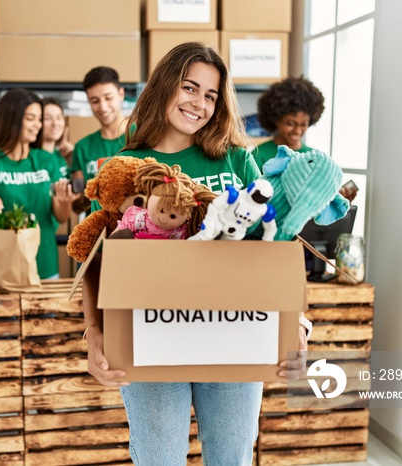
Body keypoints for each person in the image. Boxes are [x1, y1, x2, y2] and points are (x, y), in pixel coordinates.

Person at [81, 43, 310, 465]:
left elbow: (274, 245)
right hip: (149, 334)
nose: (199, 103)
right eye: (190, 88)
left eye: (210, 95)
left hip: (234, 334)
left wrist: (295, 325)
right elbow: (98, 259)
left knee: (231, 458)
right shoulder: (126, 166)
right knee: (159, 457)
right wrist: (93, 331)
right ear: (165, 87)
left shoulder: (238, 160)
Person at [0, 89, 78, 280]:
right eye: (31, 118)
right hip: (0, 271)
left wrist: (64, 201)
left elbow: (61, 217)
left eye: (39, 119)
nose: (37, 125)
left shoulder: (46, 160)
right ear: (11, 119)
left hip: (43, 268)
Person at [254, 76, 357, 202]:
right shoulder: (259, 154)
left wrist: (338, 200)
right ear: (276, 119)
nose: (297, 131)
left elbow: (318, 200)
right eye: (290, 123)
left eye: (303, 124)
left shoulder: (316, 157)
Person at [70, 66, 127, 212]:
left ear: (121, 94)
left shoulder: (142, 136)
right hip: (98, 227)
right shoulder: (82, 147)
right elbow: (78, 203)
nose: (102, 107)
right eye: (95, 101)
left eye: (108, 98)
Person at [35, 97, 73, 177]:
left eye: (59, 118)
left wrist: (72, 158)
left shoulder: (61, 156)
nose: (55, 123)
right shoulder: (33, 158)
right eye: (47, 118)